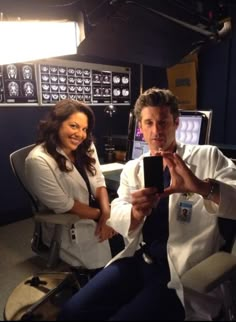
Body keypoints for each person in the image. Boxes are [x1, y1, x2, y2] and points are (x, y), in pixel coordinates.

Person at [57, 88, 236, 321]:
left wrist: (202, 187)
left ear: (176, 122)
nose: (156, 131)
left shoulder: (207, 157)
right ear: (140, 127)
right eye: (149, 123)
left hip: (181, 272)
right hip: (140, 259)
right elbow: (117, 208)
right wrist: (135, 211)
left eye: (163, 122)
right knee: (72, 312)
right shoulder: (134, 167)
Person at [25, 99, 118, 271]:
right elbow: (65, 205)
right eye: (74, 126)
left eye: (84, 129)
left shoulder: (86, 145)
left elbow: (99, 181)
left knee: (131, 242)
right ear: (57, 124)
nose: (80, 134)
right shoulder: (38, 160)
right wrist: (103, 217)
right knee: (112, 263)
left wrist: (107, 214)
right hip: (68, 224)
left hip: (97, 213)